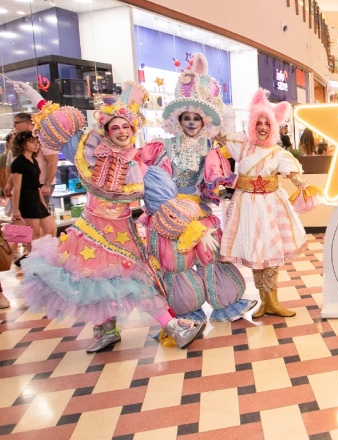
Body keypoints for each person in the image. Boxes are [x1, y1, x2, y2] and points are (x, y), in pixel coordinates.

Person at [13, 80, 206, 352]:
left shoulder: (139, 166)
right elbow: (62, 127)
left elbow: (161, 200)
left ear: (133, 130)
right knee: (96, 285)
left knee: (136, 282)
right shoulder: (90, 152)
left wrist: (179, 220)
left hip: (121, 233)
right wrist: (36, 97)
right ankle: (107, 331)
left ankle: (173, 327)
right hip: (89, 232)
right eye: (115, 127)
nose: (121, 131)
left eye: (126, 126)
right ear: (106, 130)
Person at [142, 53, 254, 323]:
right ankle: (185, 309)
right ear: (177, 120)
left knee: (209, 257)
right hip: (168, 217)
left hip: (200, 214)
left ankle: (224, 304)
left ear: (205, 121)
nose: (191, 122)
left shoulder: (211, 150)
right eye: (186, 117)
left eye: (196, 118)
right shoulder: (161, 148)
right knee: (175, 263)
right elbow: (141, 174)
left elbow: (218, 188)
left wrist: (236, 196)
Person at [220, 89, 323, 317]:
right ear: (253, 124)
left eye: (267, 123)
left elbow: (291, 173)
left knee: (271, 250)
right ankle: (263, 301)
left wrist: (301, 185)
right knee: (257, 253)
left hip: (270, 206)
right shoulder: (242, 146)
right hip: (246, 205)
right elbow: (223, 133)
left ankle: (273, 301)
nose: (263, 127)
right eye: (259, 122)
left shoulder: (278, 152)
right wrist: (221, 109)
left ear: (273, 127)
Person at [9, 132, 56, 242]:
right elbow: (17, 187)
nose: (36, 145)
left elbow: (36, 185)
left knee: (50, 229)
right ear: (22, 144)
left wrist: (43, 204)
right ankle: (32, 256)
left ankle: (44, 254)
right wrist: (15, 210)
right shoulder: (18, 162)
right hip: (26, 200)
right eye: (31, 142)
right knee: (34, 235)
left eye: (37, 142)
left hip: (35, 197)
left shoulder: (34, 160)